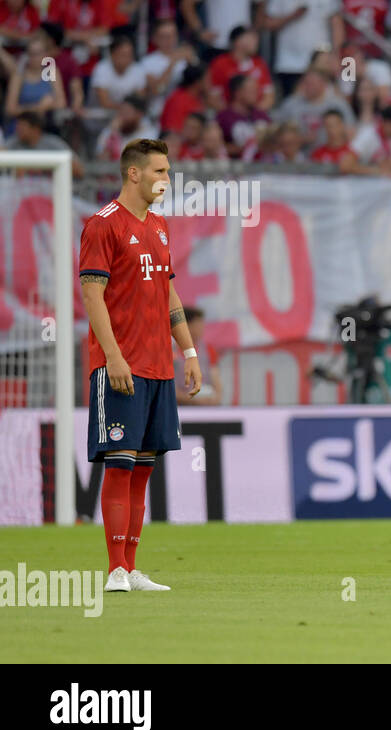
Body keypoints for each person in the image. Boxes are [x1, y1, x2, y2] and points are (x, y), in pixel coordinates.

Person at [80, 139, 203, 593]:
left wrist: (188, 352)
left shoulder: (161, 227)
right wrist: (112, 356)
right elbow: (92, 295)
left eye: (168, 172)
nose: (166, 180)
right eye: (159, 172)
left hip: (159, 368)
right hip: (120, 366)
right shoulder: (102, 225)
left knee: (144, 468)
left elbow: (168, 293)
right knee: (119, 464)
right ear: (134, 174)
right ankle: (114, 569)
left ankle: (131, 567)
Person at [175, 307, 223, 406]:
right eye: (198, 325)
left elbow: (216, 380)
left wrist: (215, 398)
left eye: (202, 324)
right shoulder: (171, 351)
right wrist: (190, 399)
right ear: (187, 326)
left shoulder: (208, 351)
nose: (202, 328)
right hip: (179, 406)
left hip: (205, 404)